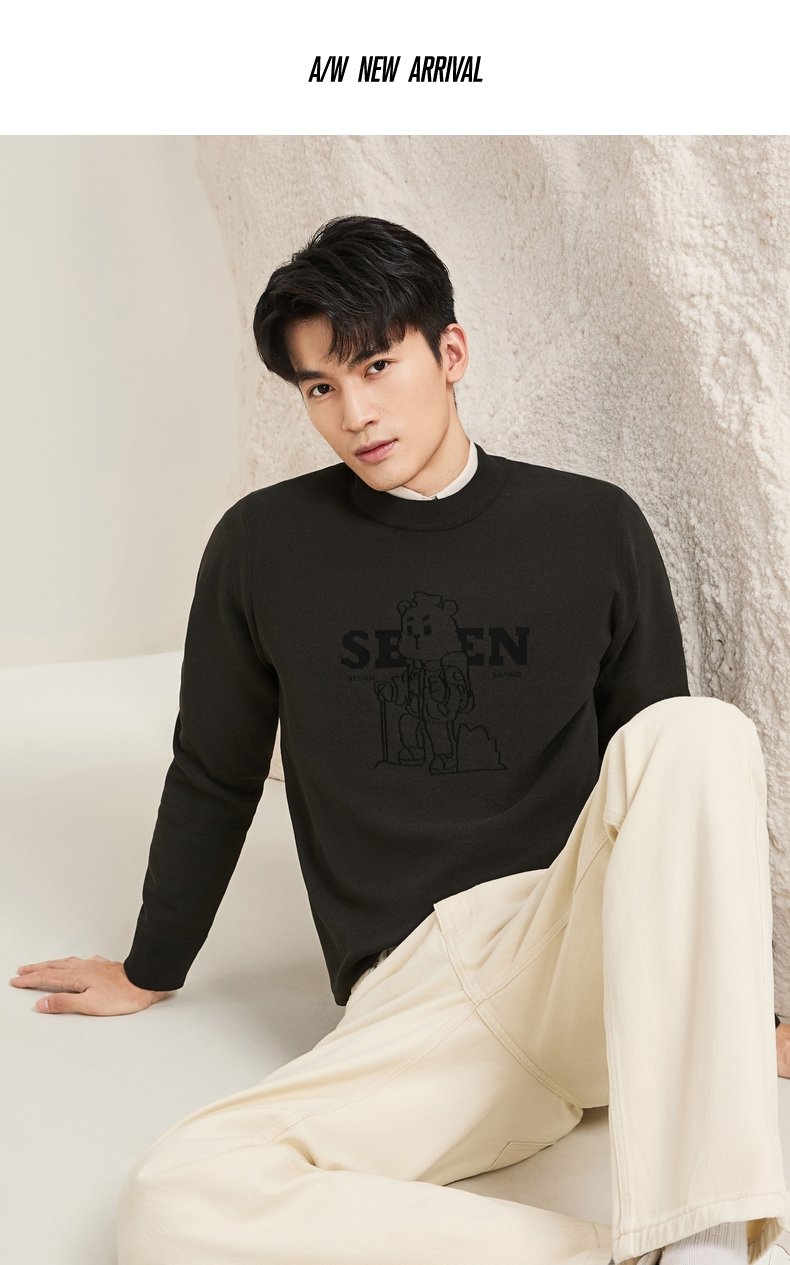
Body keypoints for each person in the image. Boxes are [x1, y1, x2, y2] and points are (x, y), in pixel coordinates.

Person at [10, 216, 790, 1265]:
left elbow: (670, 798)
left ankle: (701, 1234)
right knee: (175, 1198)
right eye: (319, 387)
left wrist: (744, 1011)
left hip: (581, 947)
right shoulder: (263, 546)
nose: (354, 413)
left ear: (449, 351)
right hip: (418, 1001)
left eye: (376, 365)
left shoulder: (592, 524)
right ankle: (623, 1253)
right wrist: (153, 963)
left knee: (697, 732)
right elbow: (215, 767)